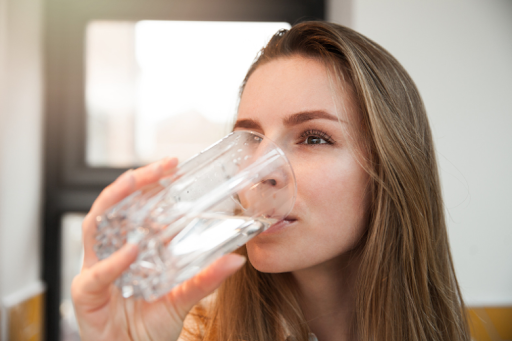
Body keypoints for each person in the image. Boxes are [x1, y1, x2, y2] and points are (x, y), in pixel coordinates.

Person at [72, 21, 471, 341]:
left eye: (313, 138)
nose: (259, 172)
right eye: (250, 139)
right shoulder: (197, 331)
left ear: (390, 170)